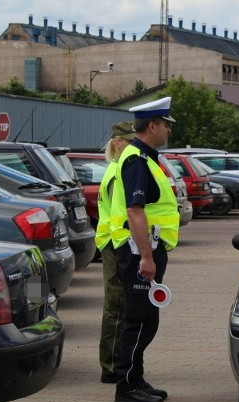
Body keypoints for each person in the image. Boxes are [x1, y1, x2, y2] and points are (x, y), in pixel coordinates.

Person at [108, 97, 180, 402]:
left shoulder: (146, 158)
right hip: (140, 251)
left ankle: (135, 379)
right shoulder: (136, 159)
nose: (168, 131)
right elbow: (135, 212)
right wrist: (146, 258)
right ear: (152, 126)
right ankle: (126, 387)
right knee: (138, 320)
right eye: (166, 125)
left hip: (146, 249)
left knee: (145, 318)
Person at [97, 121, 136, 384]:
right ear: (118, 142)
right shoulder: (117, 171)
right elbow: (119, 215)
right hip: (114, 244)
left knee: (118, 305)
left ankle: (114, 363)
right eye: (130, 141)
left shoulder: (117, 168)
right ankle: (110, 366)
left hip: (115, 241)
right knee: (117, 305)